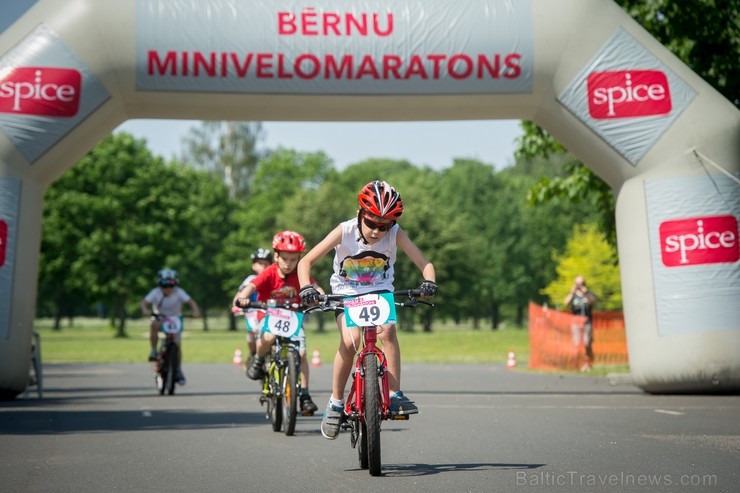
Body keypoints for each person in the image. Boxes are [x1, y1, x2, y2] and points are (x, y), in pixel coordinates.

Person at [297, 179, 437, 440]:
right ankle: (336, 403)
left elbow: (424, 262)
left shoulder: (395, 233)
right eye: (371, 222)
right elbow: (306, 261)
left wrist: (429, 281)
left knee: (388, 333)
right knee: (350, 343)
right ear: (360, 214)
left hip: (379, 291)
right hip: (346, 293)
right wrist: (306, 286)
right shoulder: (345, 231)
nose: (376, 231)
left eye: (383, 226)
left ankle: (395, 394)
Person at [233, 231, 321, 415]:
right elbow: (252, 286)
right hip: (270, 316)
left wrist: (321, 297)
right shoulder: (269, 272)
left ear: (299, 259)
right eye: (285, 259)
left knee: (302, 353)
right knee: (268, 336)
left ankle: (304, 395)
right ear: (276, 256)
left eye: (293, 259)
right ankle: (257, 361)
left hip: (293, 318)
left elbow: (314, 286)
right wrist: (243, 298)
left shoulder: (300, 273)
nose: (288, 264)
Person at [140, 268, 201, 385]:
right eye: (165, 284)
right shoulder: (155, 292)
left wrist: (196, 311)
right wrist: (145, 310)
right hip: (159, 316)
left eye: (171, 284)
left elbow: (191, 302)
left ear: (175, 283)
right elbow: (143, 303)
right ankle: (153, 350)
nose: (168, 288)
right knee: (154, 324)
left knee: (177, 344)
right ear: (160, 284)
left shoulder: (179, 292)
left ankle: (178, 369)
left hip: (175, 318)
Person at [232, 248, 273, 362]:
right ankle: (253, 353)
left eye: (266, 264)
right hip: (252, 311)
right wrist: (236, 305)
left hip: (269, 310)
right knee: (251, 336)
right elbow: (239, 295)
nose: (263, 266)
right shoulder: (250, 279)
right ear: (253, 266)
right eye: (260, 264)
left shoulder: (272, 279)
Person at [564, 275, 597, 372]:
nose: (579, 286)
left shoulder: (588, 294)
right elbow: (565, 303)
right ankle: (577, 363)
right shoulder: (573, 294)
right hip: (576, 322)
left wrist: (585, 292)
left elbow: (594, 302)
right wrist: (572, 292)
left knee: (587, 343)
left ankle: (588, 363)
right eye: (577, 284)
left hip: (587, 322)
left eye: (581, 283)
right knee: (576, 343)